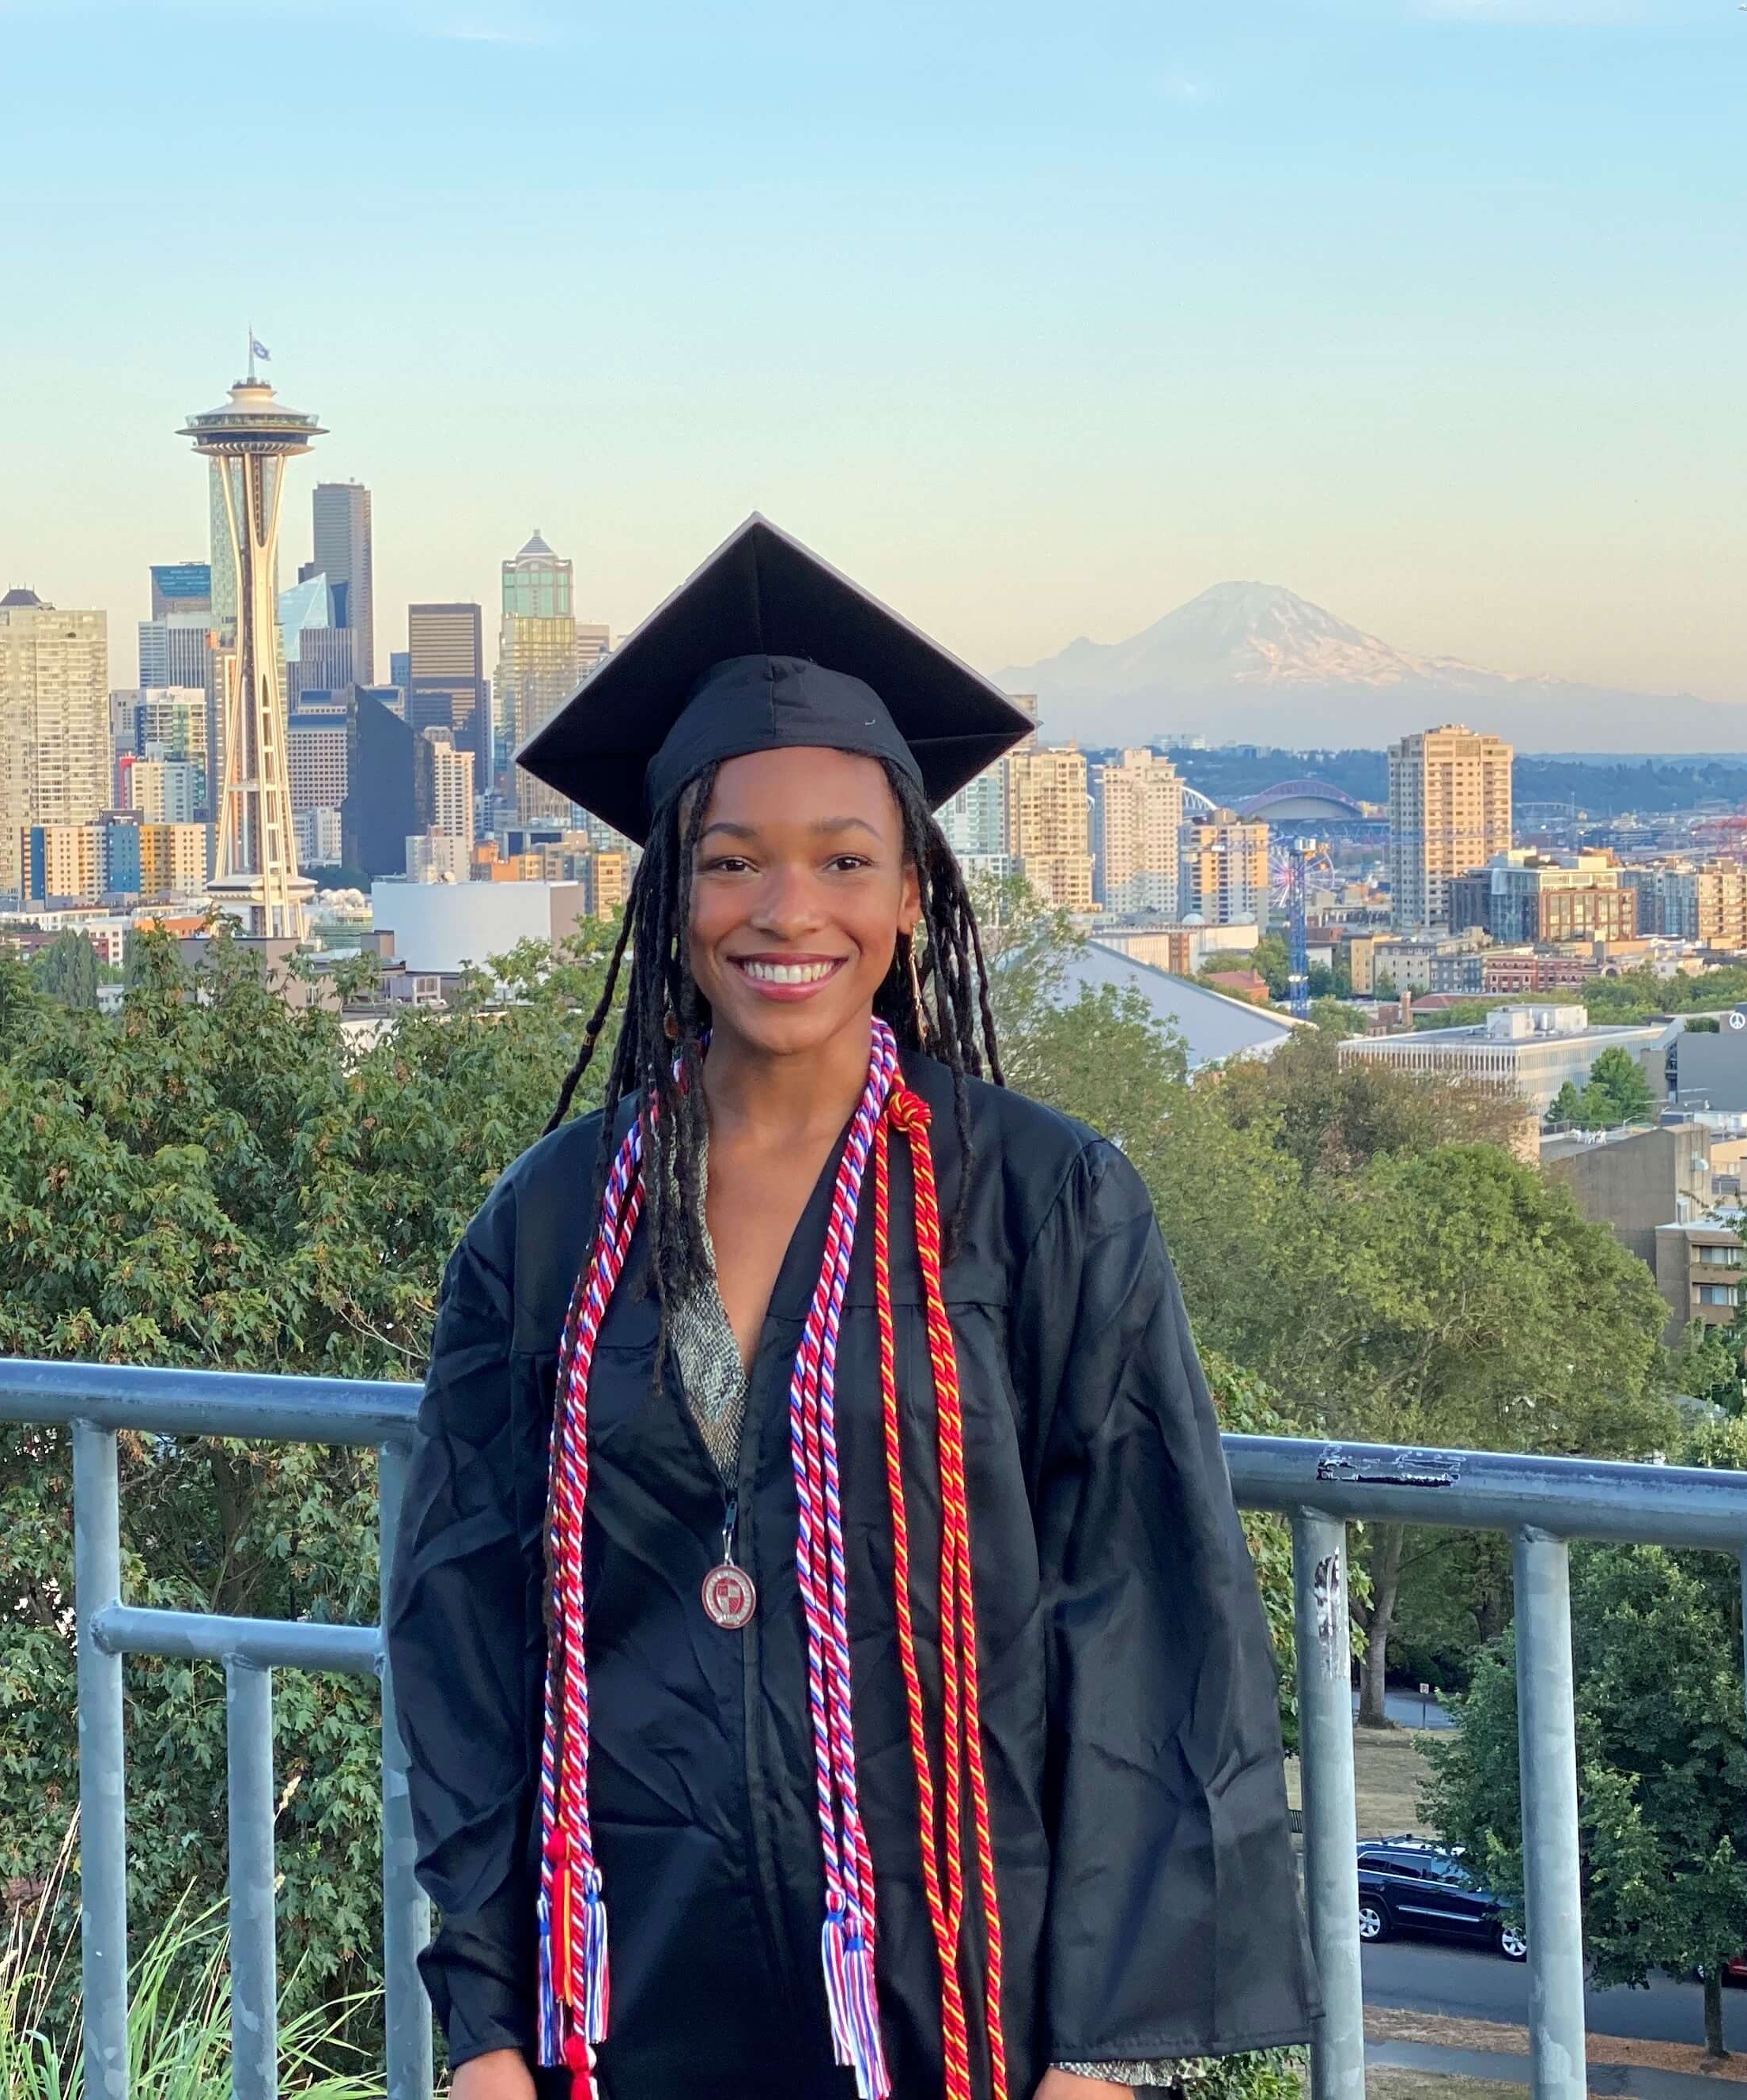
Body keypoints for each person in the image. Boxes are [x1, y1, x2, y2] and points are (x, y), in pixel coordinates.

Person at [388, 519, 1310, 2100]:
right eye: (732, 857)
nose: (785, 908)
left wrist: (1096, 2049)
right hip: (624, 1999)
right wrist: (481, 2021)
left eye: (842, 859)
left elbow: (1147, 1620)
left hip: (960, 1999)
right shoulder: (553, 1223)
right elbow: (466, 1626)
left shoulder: (1041, 1203)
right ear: (671, 892)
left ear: (909, 902)